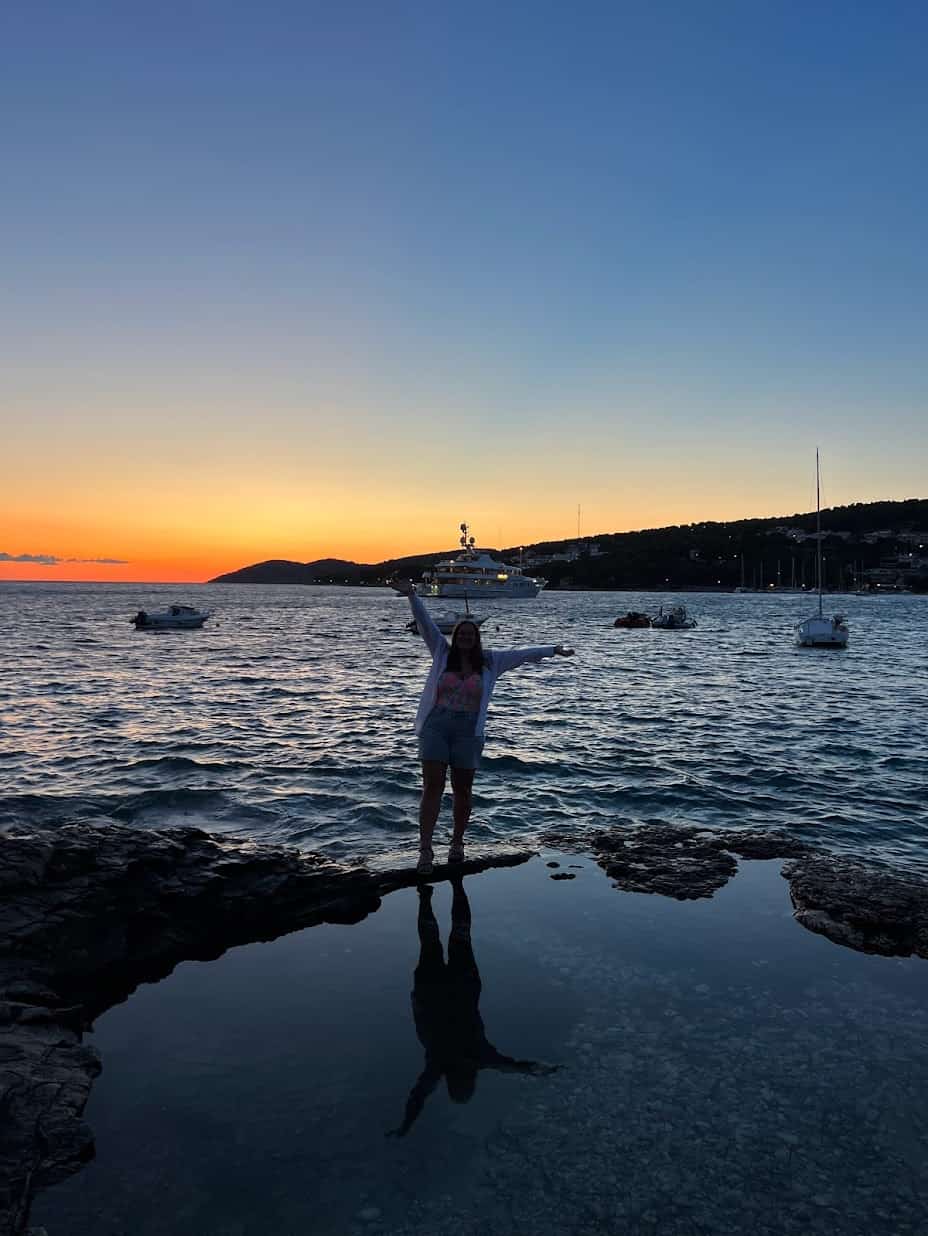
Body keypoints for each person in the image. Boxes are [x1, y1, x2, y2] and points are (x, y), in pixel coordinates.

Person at [395, 582, 574, 873]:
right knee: (432, 787)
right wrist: (412, 595)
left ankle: (457, 844)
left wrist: (554, 649)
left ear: (476, 638)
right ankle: (425, 850)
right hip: (436, 726)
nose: (465, 637)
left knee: (463, 790)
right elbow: (426, 625)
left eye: (470, 634)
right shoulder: (442, 652)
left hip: (468, 731)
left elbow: (523, 654)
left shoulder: (491, 660)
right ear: (456, 636)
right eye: (461, 633)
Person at [387, 876, 558, 1138]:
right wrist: (406, 1124)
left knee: (456, 935)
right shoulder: (451, 1064)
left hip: (453, 989)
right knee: (435, 941)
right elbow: (420, 1094)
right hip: (435, 993)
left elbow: (516, 1067)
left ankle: (449, 888)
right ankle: (430, 895)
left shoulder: (473, 1060)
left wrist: (406, 1125)